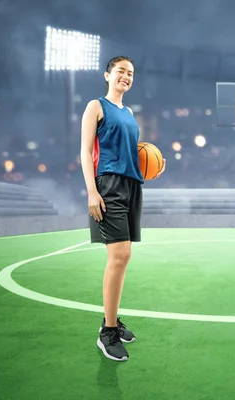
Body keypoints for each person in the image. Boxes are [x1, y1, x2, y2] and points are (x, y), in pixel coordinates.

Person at [80, 55, 165, 362]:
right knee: (120, 255)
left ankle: (112, 319)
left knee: (124, 257)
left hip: (131, 186)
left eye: (130, 73)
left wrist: (152, 168)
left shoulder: (129, 112)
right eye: (120, 71)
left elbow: (135, 154)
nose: (126, 76)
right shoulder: (96, 106)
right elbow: (85, 150)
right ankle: (107, 333)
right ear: (107, 74)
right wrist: (92, 191)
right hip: (108, 185)